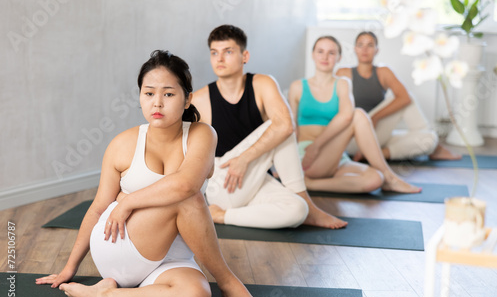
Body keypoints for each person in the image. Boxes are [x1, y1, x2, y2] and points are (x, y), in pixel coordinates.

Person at [36, 50, 260, 297]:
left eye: (168, 94)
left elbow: (187, 182)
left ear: (188, 99)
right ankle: (227, 280)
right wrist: (69, 268)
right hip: (119, 244)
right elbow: (99, 208)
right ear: (140, 96)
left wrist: (128, 200)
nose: (157, 103)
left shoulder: (202, 134)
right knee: (184, 198)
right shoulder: (122, 144)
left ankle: (106, 295)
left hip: (173, 257)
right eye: (149, 93)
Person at [192, 24, 347, 229]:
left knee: (298, 210)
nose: (219, 59)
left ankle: (222, 216)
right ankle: (306, 199)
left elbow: (285, 127)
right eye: (214, 53)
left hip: (252, 180)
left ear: (244, 56)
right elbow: (187, 154)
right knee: (282, 125)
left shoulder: (262, 84)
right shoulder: (200, 99)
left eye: (228, 52)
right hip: (223, 183)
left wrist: (244, 159)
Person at [288, 36, 421, 194]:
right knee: (358, 114)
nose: (325, 57)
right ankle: (391, 178)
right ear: (313, 55)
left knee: (376, 179)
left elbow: (346, 116)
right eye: (320, 51)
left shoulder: (343, 83)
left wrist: (318, 146)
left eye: (331, 53)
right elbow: (290, 130)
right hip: (308, 156)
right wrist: (287, 168)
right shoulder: (297, 87)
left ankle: (310, 184)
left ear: (339, 58)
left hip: (335, 157)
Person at [336, 31, 461, 161]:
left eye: (370, 45)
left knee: (429, 139)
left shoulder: (383, 72)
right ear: (355, 49)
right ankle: (435, 149)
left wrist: (376, 117)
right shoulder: (343, 73)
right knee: (409, 99)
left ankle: (376, 154)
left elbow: (405, 98)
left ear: (377, 50)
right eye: (360, 45)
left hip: (377, 133)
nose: (365, 49)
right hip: (354, 136)